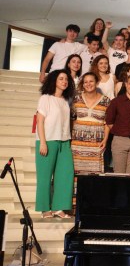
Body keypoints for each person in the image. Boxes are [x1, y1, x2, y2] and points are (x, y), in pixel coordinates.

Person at [35, 70, 75, 218]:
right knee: (45, 177)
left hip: (64, 142)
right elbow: (40, 121)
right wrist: (43, 142)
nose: (64, 81)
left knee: (65, 175)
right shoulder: (45, 98)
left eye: (66, 79)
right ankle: (45, 208)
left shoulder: (65, 100)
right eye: (61, 79)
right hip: (48, 140)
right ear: (54, 81)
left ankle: (59, 207)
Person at [71, 72, 110, 173]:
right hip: (78, 144)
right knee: (77, 174)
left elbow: (107, 123)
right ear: (83, 84)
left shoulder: (106, 101)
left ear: (96, 83)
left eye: (91, 81)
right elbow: (72, 120)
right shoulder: (76, 99)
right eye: (86, 82)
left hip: (96, 144)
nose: (88, 84)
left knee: (94, 175)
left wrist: (105, 139)